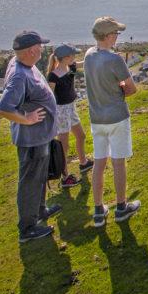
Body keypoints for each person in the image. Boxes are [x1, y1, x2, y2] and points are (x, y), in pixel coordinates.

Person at [0, 30, 62, 243]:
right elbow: (4, 108)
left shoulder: (23, 64)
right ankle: (27, 228)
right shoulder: (19, 75)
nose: (42, 49)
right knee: (30, 181)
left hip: (40, 136)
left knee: (40, 176)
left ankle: (40, 210)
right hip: (32, 139)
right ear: (32, 50)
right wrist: (28, 118)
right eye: (40, 46)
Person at [84, 16, 140, 227]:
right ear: (107, 36)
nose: (118, 36)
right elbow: (131, 89)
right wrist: (121, 87)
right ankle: (121, 207)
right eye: (116, 33)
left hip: (96, 117)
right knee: (118, 162)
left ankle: (98, 210)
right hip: (116, 116)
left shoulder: (89, 55)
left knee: (99, 162)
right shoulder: (115, 60)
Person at [47, 43, 93, 188]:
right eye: (74, 55)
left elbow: (84, 63)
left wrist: (99, 55)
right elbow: (49, 96)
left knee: (81, 136)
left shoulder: (71, 67)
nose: (76, 58)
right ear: (66, 57)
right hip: (60, 111)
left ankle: (83, 162)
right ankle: (65, 177)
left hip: (71, 108)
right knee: (64, 146)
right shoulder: (53, 75)